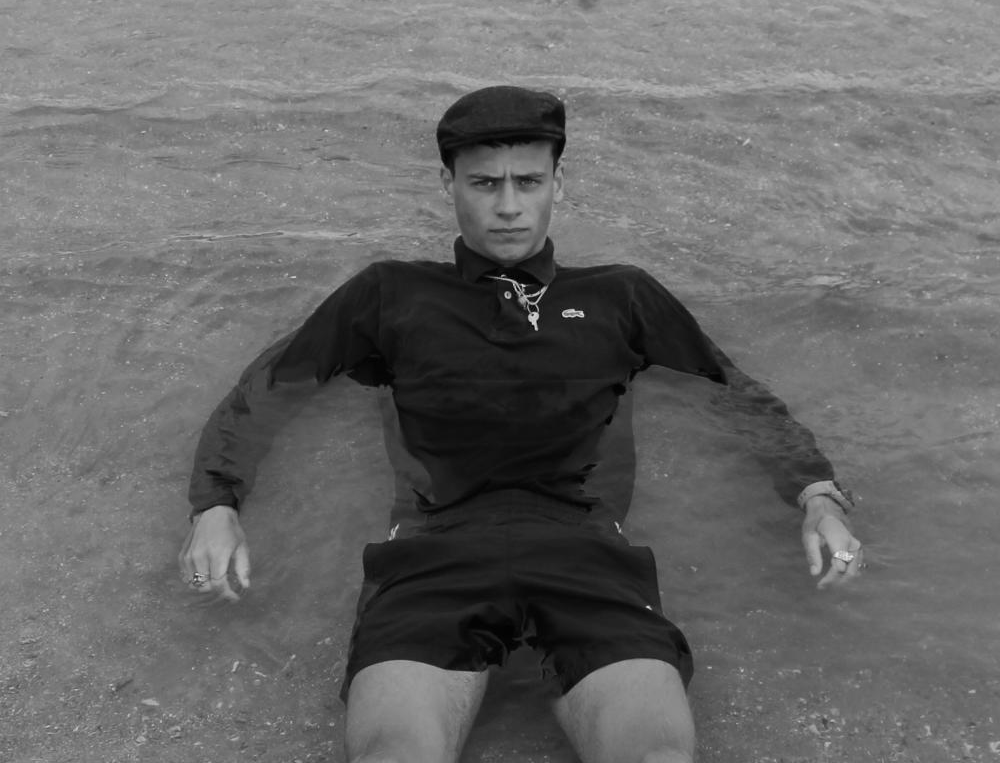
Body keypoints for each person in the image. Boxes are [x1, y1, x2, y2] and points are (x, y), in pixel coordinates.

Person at [178, 86, 864, 763]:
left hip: (585, 550)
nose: (508, 206)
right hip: (434, 550)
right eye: (484, 183)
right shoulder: (390, 294)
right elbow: (270, 390)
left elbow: (731, 394)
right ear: (447, 183)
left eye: (528, 181)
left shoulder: (621, 295)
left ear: (558, 183)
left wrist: (816, 495)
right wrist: (217, 504)